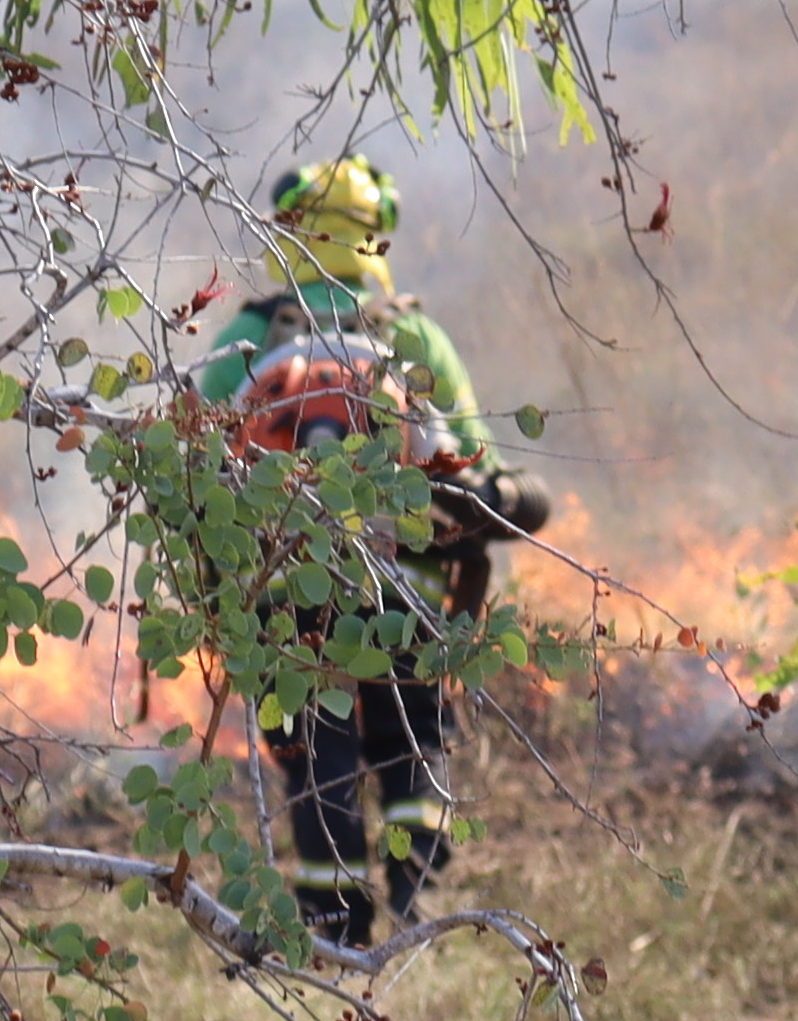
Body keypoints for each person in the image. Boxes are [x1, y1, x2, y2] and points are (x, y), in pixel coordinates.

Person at [191, 159, 539, 956]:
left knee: (317, 753)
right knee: (410, 735)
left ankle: (336, 932)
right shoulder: (414, 334)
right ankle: (419, 899)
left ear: (289, 231)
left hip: (284, 586)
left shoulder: (251, 334)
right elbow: (473, 465)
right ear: (378, 231)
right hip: (404, 583)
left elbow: (198, 462)